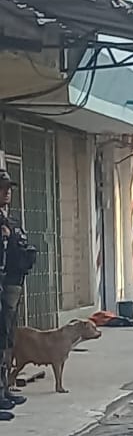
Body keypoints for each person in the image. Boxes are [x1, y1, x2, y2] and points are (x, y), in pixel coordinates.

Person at [0, 170, 34, 420]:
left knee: (7, 339)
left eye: (8, 188)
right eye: (2, 188)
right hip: (4, 285)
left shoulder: (9, 220)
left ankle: (4, 388)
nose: (7, 192)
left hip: (12, 282)